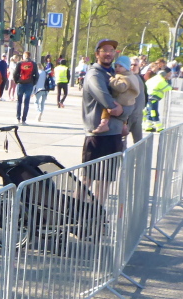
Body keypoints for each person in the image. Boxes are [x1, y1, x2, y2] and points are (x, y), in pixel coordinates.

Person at [80, 39, 124, 200]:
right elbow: (109, 103)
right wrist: (122, 112)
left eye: (111, 50)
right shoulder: (94, 75)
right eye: (104, 50)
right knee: (87, 179)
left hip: (113, 133)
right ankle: (74, 210)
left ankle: (98, 211)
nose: (108, 53)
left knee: (105, 181)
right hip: (97, 135)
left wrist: (123, 120)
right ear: (97, 53)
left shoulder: (113, 73)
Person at [94, 55, 139, 135]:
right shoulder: (132, 76)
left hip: (121, 100)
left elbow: (122, 87)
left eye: (120, 66)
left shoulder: (125, 77)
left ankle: (104, 124)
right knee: (124, 117)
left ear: (127, 67)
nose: (117, 68)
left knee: (106, 107)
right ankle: (124, 127)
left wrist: (112, 81)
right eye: (116, 66)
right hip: (129, 102)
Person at [13, 51, 39, 125]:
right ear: (30, 56)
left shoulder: (20, 63)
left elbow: (15, 73)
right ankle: (24, 119)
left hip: (21, 83)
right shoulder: (33, 64)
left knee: (19, 102)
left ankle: (18, 118)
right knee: (26, 102)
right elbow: (37, 75)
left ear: (24, 56)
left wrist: (16, 81)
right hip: (29, 84)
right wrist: (33, 83)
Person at [126, 56, 147, 145]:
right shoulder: (125, 77)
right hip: (127, 115)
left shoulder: (141, 78)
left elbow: (145, 94)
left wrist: (143, 106)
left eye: (135, 65)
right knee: (122, 142)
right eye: (130, 65)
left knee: (138, 142)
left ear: (139, 66)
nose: (132, 67)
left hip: (138, 114)